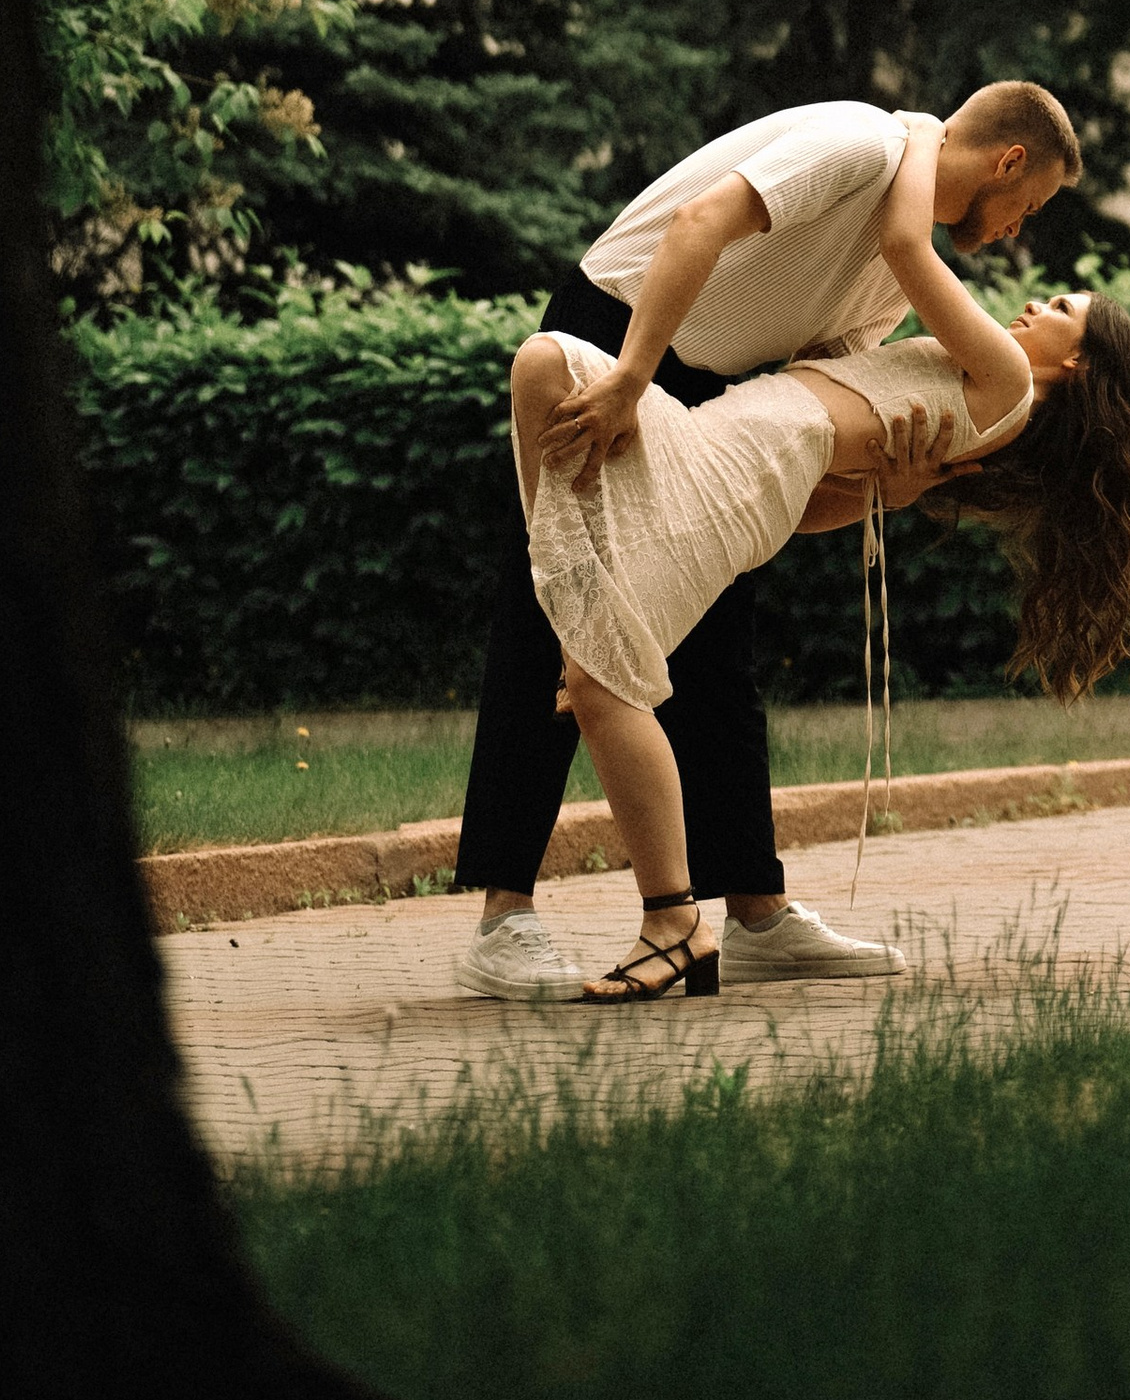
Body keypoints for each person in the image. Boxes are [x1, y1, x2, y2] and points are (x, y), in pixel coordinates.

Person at [452, 80, 1082, 997]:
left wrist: (886, 488)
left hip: (710, 387)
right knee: (554, 614)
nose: (1019, 229)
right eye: (1028, 205)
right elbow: (699, 225)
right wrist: (630, 377)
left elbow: (800, 423)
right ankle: (504, 918)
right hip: (623, 329)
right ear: (1010, 162)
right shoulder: (860, 142)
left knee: (719, 653)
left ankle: (754, 913)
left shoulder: (891, 272)